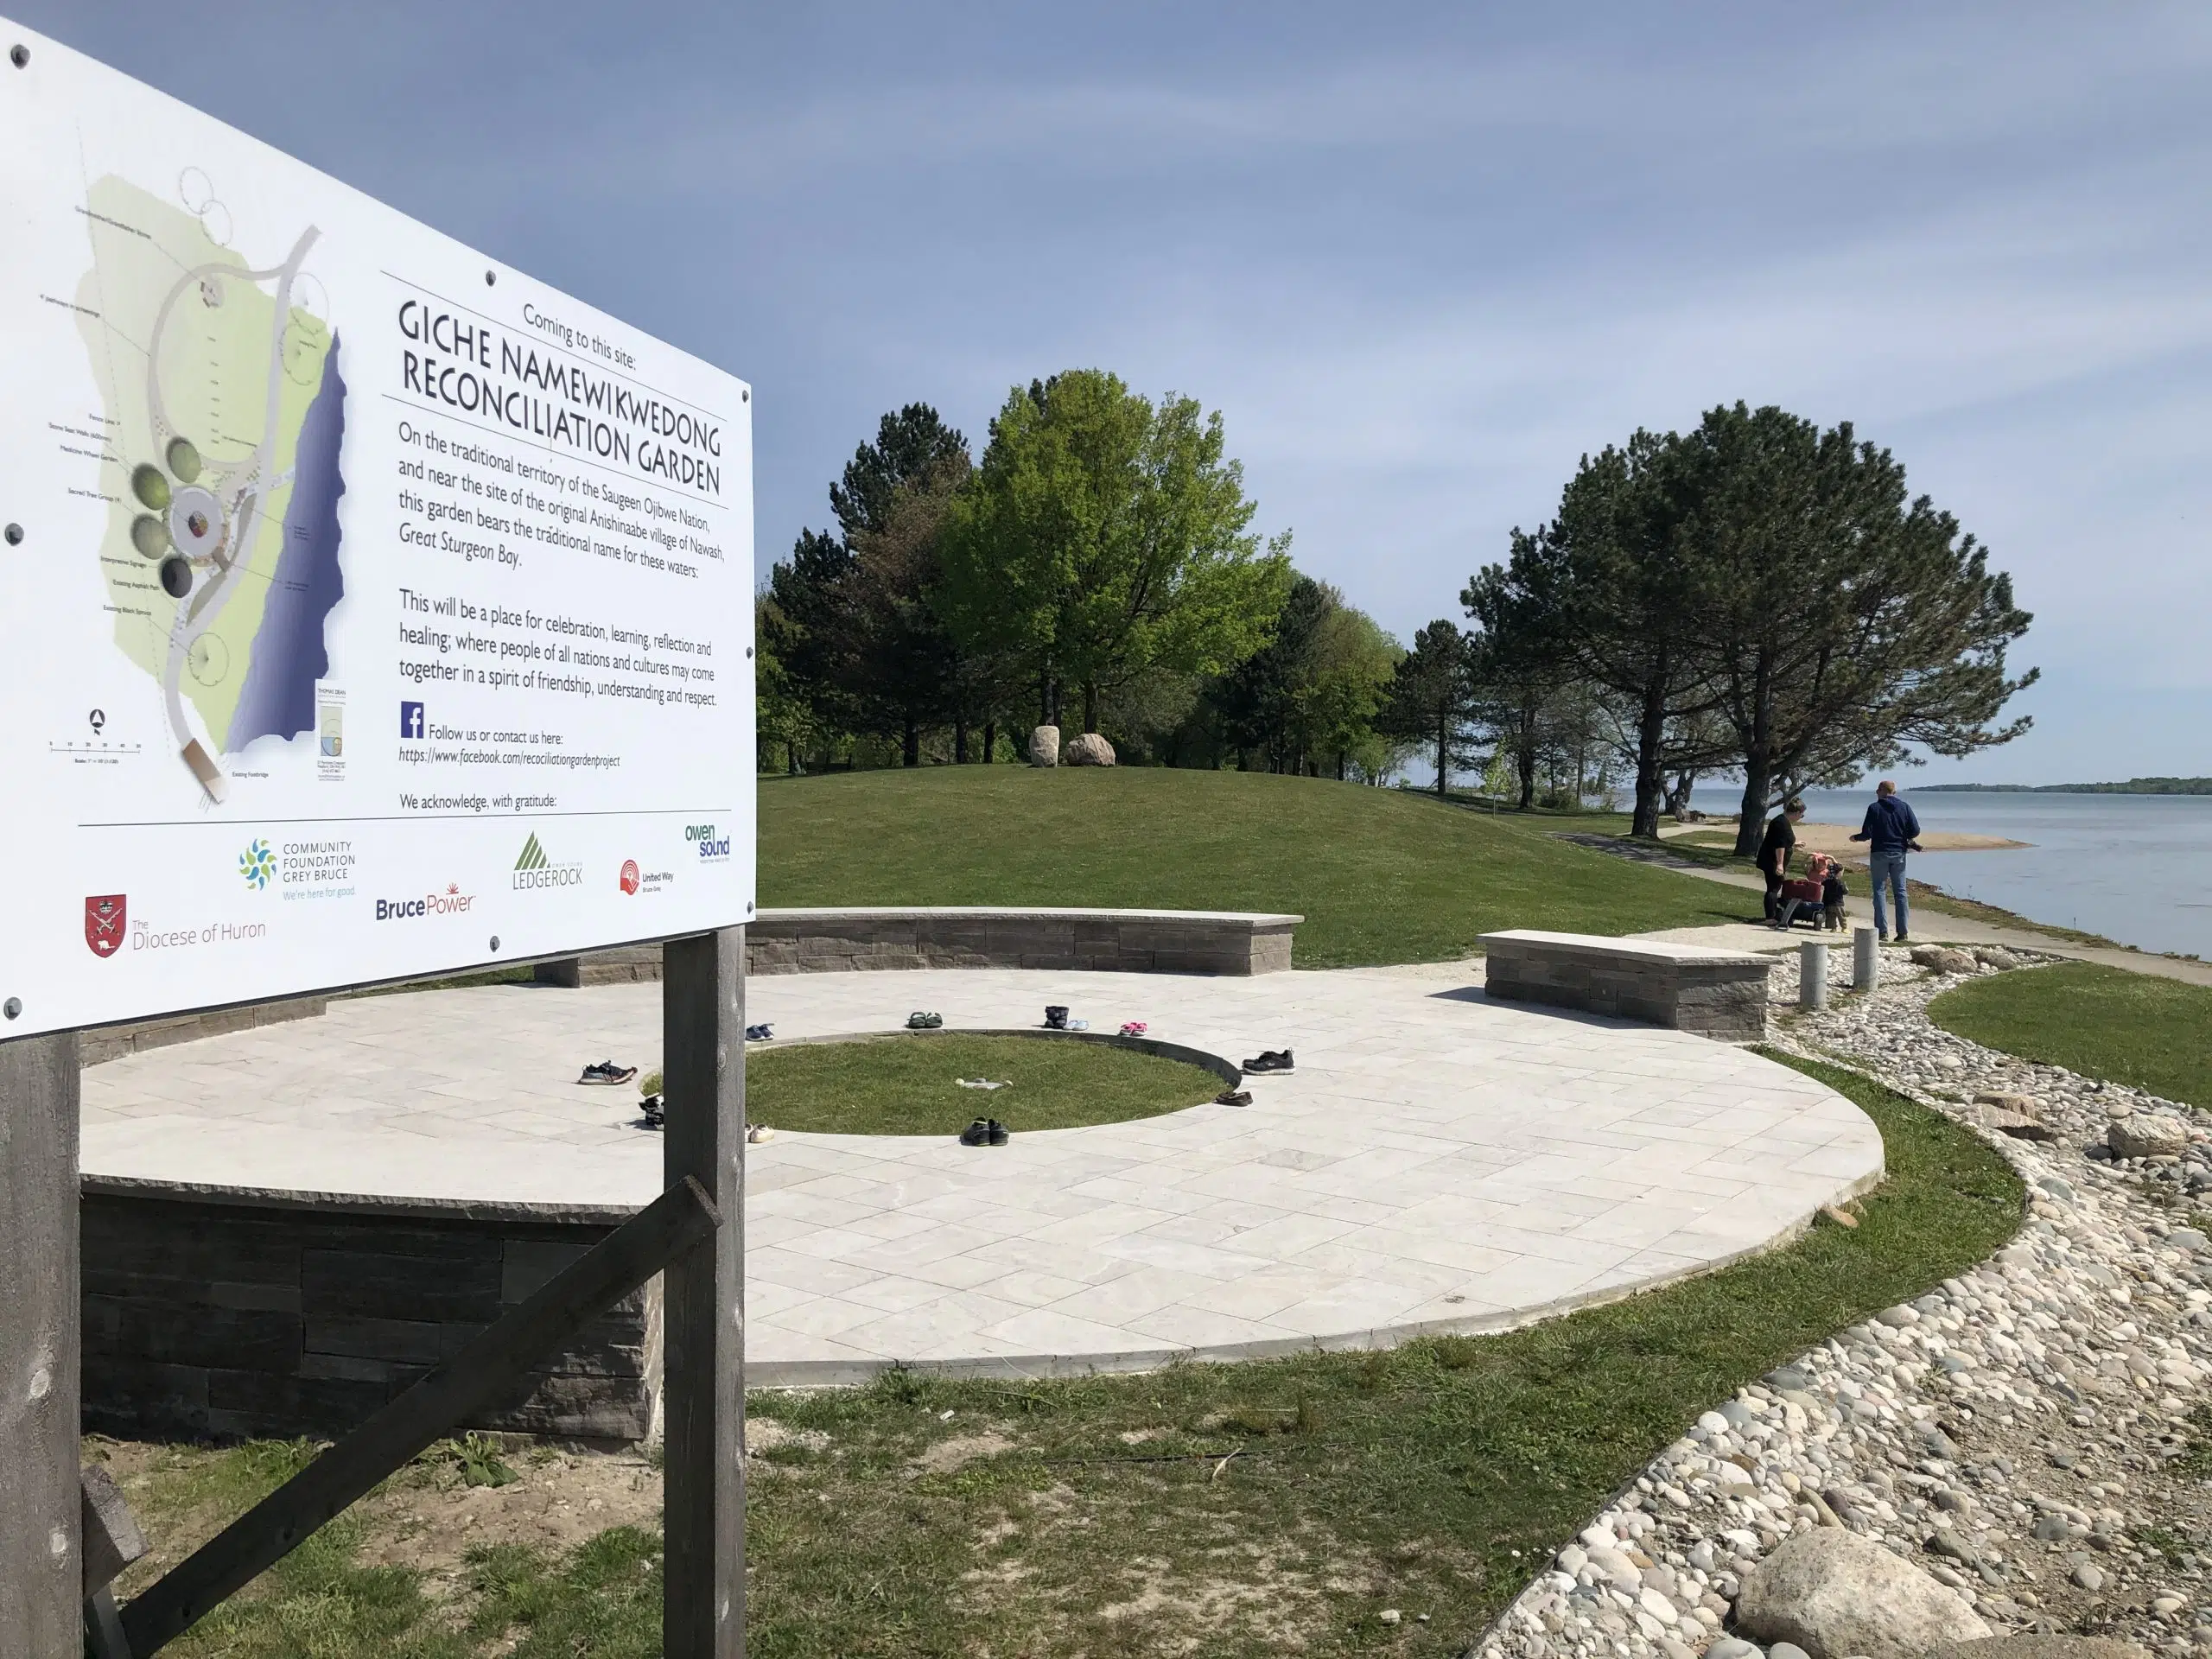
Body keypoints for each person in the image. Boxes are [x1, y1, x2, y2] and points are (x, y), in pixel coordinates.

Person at [1850, 779, 1922, 942]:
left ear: (1882, 791)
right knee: (1900, 892)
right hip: (1899, 853)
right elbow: (1915, 830)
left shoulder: (1874, 808)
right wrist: (1905, 836)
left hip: (1879, 852)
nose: (1877, 794)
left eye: (1877, 791)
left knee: (1880, 890)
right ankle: (1902, 932)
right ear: (1894, 793)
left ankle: (1882, 931)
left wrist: (1856, 838)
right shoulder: (1904, 807)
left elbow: (1867, 832)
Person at [1757, 797, 1807, 922]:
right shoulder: (1781, 824)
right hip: (1772, 860)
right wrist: (1780, 864)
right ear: (1797, 813)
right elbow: (1780, 845)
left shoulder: (1783, 821)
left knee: (1775, 887)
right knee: (1773, 889)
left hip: (1772, 859)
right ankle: (1770, 917)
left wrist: (1794, 844)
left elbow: (1783, 841)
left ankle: (1774, 914)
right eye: (1802, 815)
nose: (1801, 818)